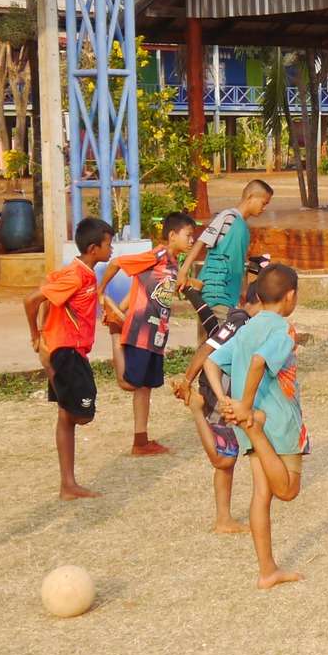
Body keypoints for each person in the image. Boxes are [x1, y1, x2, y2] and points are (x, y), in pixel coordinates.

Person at [206, 262, 308, 589]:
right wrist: (247, 407)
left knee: (261, 494)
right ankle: (256, 428)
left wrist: (225, 399)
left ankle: (267, 570)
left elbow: (211, 361)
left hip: (247, 419)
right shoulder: (283, 329)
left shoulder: (247, 328)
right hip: (275, 422)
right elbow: (259, 361)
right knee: (288, 490)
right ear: (290, 296)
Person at [25, 215, 114, 500]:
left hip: (71, 351)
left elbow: (49, 296)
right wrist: (37, 335)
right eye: (108, 244)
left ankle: (68, 484)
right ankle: (68, 484)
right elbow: (32, 300)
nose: (112, 249)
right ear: (93, 248)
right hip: (67, 352)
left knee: (66, 415)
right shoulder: (75, 275)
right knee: (82, 414)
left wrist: (45, 330)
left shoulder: (80, 273)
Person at [172, 280, 263, 534]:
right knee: (223, 458)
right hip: (219, 395)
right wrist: (187, 381)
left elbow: (209, 323)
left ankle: (224, 518)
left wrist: (191, 293)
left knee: (229, 460)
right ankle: (196, 409)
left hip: (227, 396)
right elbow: (208, 347)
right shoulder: (241, 322)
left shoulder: (240, 321)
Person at [107, 210, 196, 457]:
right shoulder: (156, 255)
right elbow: (117, 263)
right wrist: (102, 292)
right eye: (188, 235)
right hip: (140, 331)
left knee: (144, 387)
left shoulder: (174, 265)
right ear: (172, 235)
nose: (191, 240)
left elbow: (140, 286)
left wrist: (120, 307)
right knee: (129, 382)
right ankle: (115, 335)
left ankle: (141, 441)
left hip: (157, 334)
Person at [181, 178, 274, 336]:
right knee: (221, 342)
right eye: (263, 203)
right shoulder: (228, 217)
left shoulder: (243, 228)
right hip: (216, 293)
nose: (264, 208)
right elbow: (202, 241)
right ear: (251, 196)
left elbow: (236, 264)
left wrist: (243, 292)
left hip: (228, 296)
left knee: (214, 343)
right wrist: (183, 271)